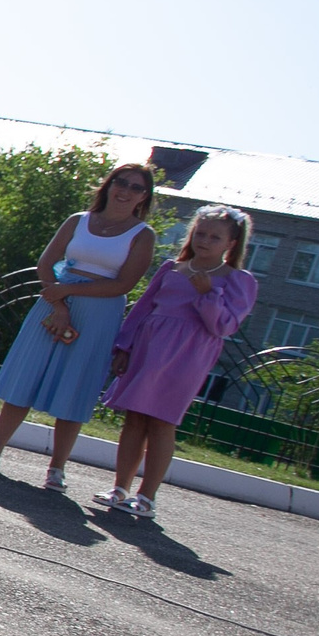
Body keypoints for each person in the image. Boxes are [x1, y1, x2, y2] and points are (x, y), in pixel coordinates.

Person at [0, 163, 159, 490]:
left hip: (98, 312)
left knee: (76, 385)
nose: (125, 191)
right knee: (26, 375)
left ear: (144, 196)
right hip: (54, 303)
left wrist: (69, 291)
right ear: (108, 185)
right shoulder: (78, 221)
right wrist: (59, 306)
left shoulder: (142, 235)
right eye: (121, 182)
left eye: (136, 187)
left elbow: (124, 284)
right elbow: (45, 263)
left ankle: (57, 468)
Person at [94, 204, 258, 519]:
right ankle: (120, 488)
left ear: (231, 244)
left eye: (215, 237)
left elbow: (224, 326)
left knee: (162, 421)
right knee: (134, 418)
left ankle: (147, 497)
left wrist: (208, 295)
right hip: (148, 348)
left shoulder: (238, 279)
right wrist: (124, 347)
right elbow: (143, 308)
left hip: (188, 356)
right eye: (200, 233)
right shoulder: (172, 268)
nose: (205, 241)